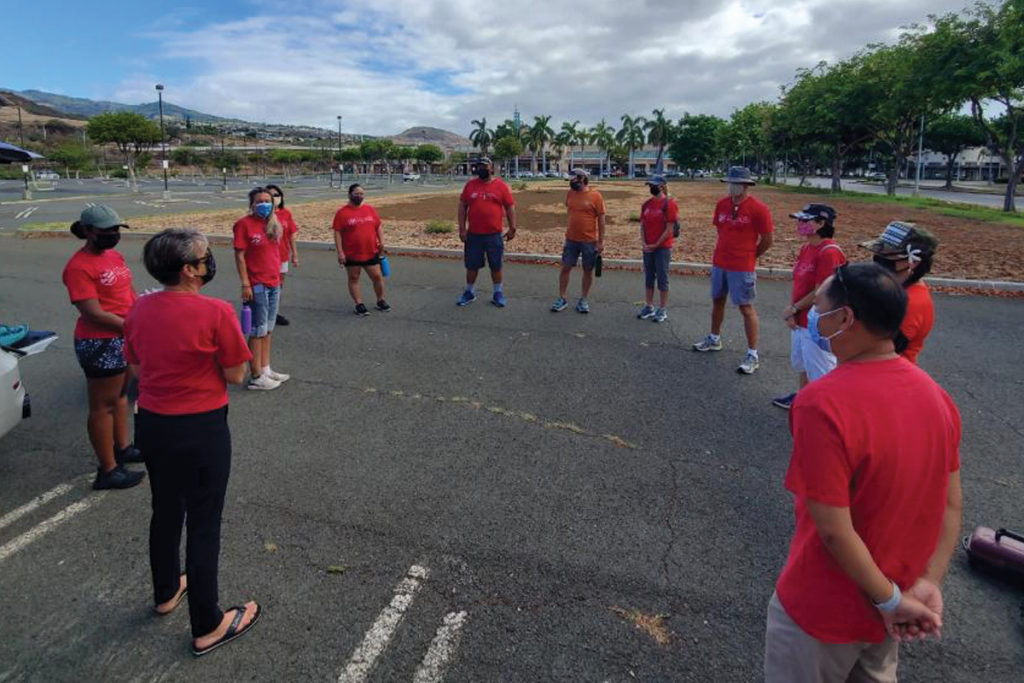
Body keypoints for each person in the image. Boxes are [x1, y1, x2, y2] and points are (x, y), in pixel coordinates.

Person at [765, 262, 962, 683]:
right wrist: (926, 582)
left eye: (819, 307)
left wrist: (888, 600)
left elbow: (834, 529)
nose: (813, 316)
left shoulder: (822, 403)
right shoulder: (938, 398)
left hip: (824, 608)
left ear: (846, 318)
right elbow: (950, 505)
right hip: (896, 602)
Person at [125, 228, 261, 656]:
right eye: (204, 257)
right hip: (200, 428)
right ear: (189, 270)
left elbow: (134, 369)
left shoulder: (138, 309)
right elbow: (238, 374)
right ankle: (208, 623)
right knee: (204, 522)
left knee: (165, 511)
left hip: (153, 423)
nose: (209, 261)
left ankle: (166, 591)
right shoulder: (216, 312)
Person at [61, 205, 145, 490]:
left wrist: (139, 312)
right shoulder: (78, 267)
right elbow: (93, 313)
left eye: (116, 230)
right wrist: (132, 326)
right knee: (102, 406)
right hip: (99, 341)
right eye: (107, 231)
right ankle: (107, 469)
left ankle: (123, 448)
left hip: (122, 335)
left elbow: (126, 292)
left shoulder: (114, 255)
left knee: (121, 397)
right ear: (87, 231)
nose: (113, 235)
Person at [693, 166, 774, 375]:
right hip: (720, 262)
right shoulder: (722, 204)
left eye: (736, 183)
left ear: (747, 185)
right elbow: (720, 229)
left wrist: (750, 255)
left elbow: (767, 240)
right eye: (730, 182)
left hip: (742, 265)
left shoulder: (759, 209)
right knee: (717, 300)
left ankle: (752, 354)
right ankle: (714, 338)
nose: (732, 187)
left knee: (746, 307)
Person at [772, 204, 846, 410]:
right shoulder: (806, 248)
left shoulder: (829, 252)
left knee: (822, 369)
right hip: (801, 318)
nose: (800, 224)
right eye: (799, 220)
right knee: (804, 364)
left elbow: (821, 290)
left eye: (805, 220)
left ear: (822, 224)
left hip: (818, 322)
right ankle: (804, 400)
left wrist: (794, 308)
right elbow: (800, 283)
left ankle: (828, 409)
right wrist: (793, 310)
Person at [860, 221, 940, 364]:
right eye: (878, 255)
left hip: (884, 374)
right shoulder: (895, 287)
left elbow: (884, 348)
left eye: (887, 257)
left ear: (913, 262)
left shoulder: (911, 302)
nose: (878, 261)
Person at [233, 187, 289, 390]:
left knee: (268, 329)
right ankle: (255, 376)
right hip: (257, 285)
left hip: (273, 283)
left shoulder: (273, 224)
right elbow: (240, 256)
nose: (264, 204)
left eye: (268, 200)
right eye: (259, 201)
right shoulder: (243, 225)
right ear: (251, 204)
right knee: (257, 330)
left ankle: (265, 368)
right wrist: (245, 283)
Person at [457, 157, 517, 307]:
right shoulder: (470, 185)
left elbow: (510, 207)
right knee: (472, 266)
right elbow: (462, 207)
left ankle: (497, 293)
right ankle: (469, 292)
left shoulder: (501, 186)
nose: (481, 168)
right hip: (474, 235)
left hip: (494, 235)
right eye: (478, 166)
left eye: (484, 166)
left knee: (496, 266)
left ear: (492, 168)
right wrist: (462, 228)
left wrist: (512, 228)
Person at [551, 169, 605, 314]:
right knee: (565, 268)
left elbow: (601, 219)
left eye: (573, 179)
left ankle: (583, 300)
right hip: (571, 239)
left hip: (589, 241)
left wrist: (600, 242)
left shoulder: (596, 196)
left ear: (582, 179)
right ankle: (562, 298)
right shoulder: (570, 193)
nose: (571, 182)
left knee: (588, 270)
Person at [332, 183, 390, 315]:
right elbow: (337, 232)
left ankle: (380, 300)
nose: (359, 196)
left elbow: (378, 226)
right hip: (351, 253)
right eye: (356, 194)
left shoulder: (370, 209)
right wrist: (340, 252)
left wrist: (382, 242)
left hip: (371, 251)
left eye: (361, 194)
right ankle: (359, 304)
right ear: (349, 194)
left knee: (377, 276)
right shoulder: (342, 213)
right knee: (354, 278)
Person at [636, 174, 679, 323]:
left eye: (653, 185)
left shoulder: (669, 204)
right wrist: (644, 243)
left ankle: (662, 309)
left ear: (661, 186)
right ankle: (649, 306)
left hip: (662, 248)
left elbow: (669, 229)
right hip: (648, 247)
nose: (651, 188)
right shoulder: (646, 205)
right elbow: (642, 225)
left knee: (662, 278)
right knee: (649, 277)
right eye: (650, 185)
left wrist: (656, 244)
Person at [265, 184, 299, 327]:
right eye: (271, 195)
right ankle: (263, 311)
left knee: (278, 285)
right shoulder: (263, 215)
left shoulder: (286, 213)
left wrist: (295, 254)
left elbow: (291, 235)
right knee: (265, 285)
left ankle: (274, 312)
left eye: (277, 195)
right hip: (266, 258)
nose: (274, 198)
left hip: (282, 255)